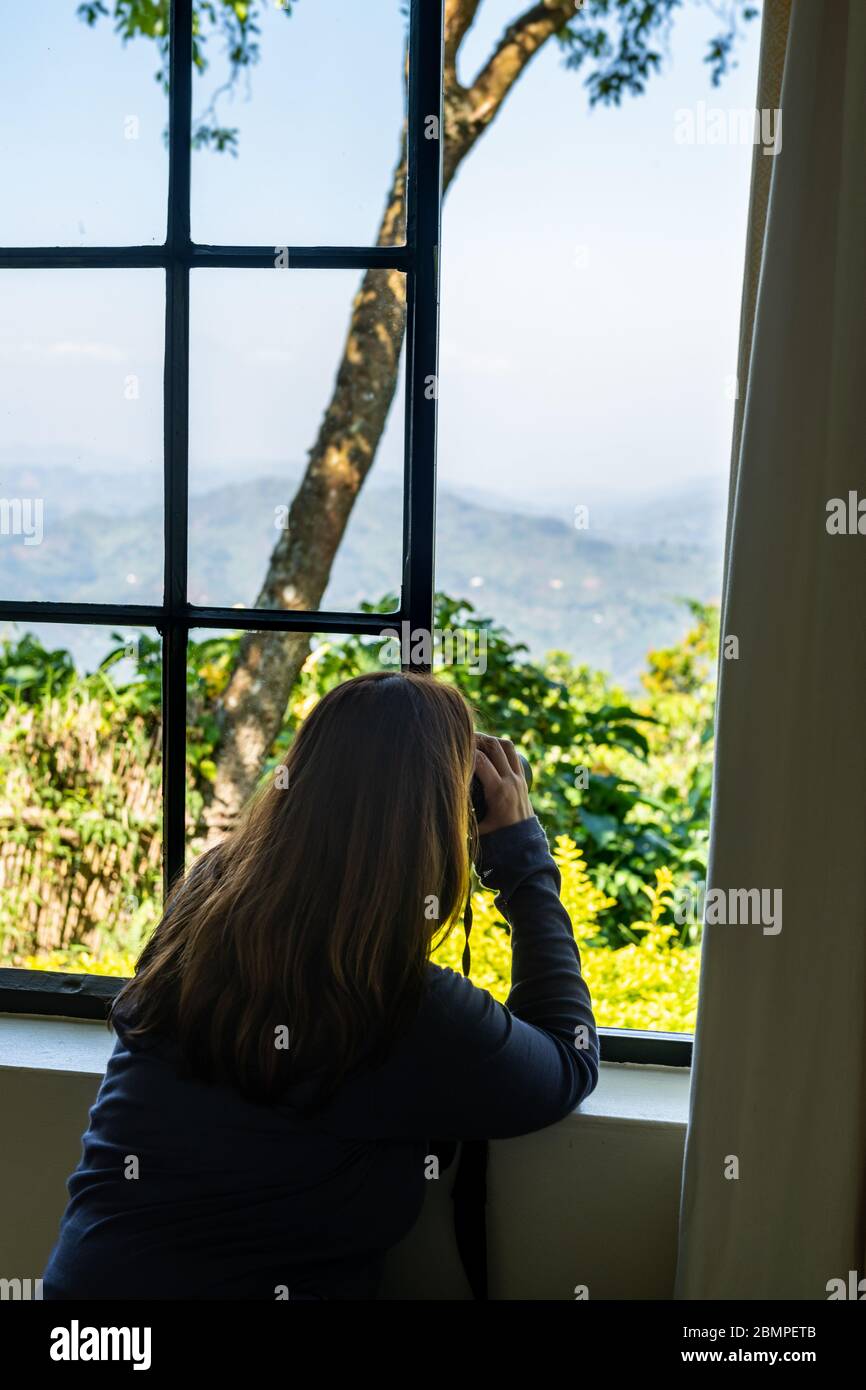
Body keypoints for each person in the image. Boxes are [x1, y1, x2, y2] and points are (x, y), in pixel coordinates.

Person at [43, 671, 598, 1300]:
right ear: (443, 825)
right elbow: (568, 1059)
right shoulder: (404, 1005)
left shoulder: (204, 902)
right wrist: (523, 860)